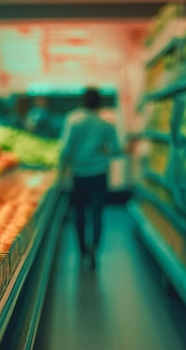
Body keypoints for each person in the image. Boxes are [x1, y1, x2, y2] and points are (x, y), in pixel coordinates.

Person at [58, 87, 122, 270]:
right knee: (97, 213)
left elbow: (66, 149)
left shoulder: (73, 121)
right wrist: (104, 151)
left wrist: (62, 168)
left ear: (83, 101)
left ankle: (81, 250)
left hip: (79, 175)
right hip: (99, 174)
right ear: (99, 103)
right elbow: (116, 150)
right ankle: (94, 248)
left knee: (79, 214)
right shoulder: (106, 124)